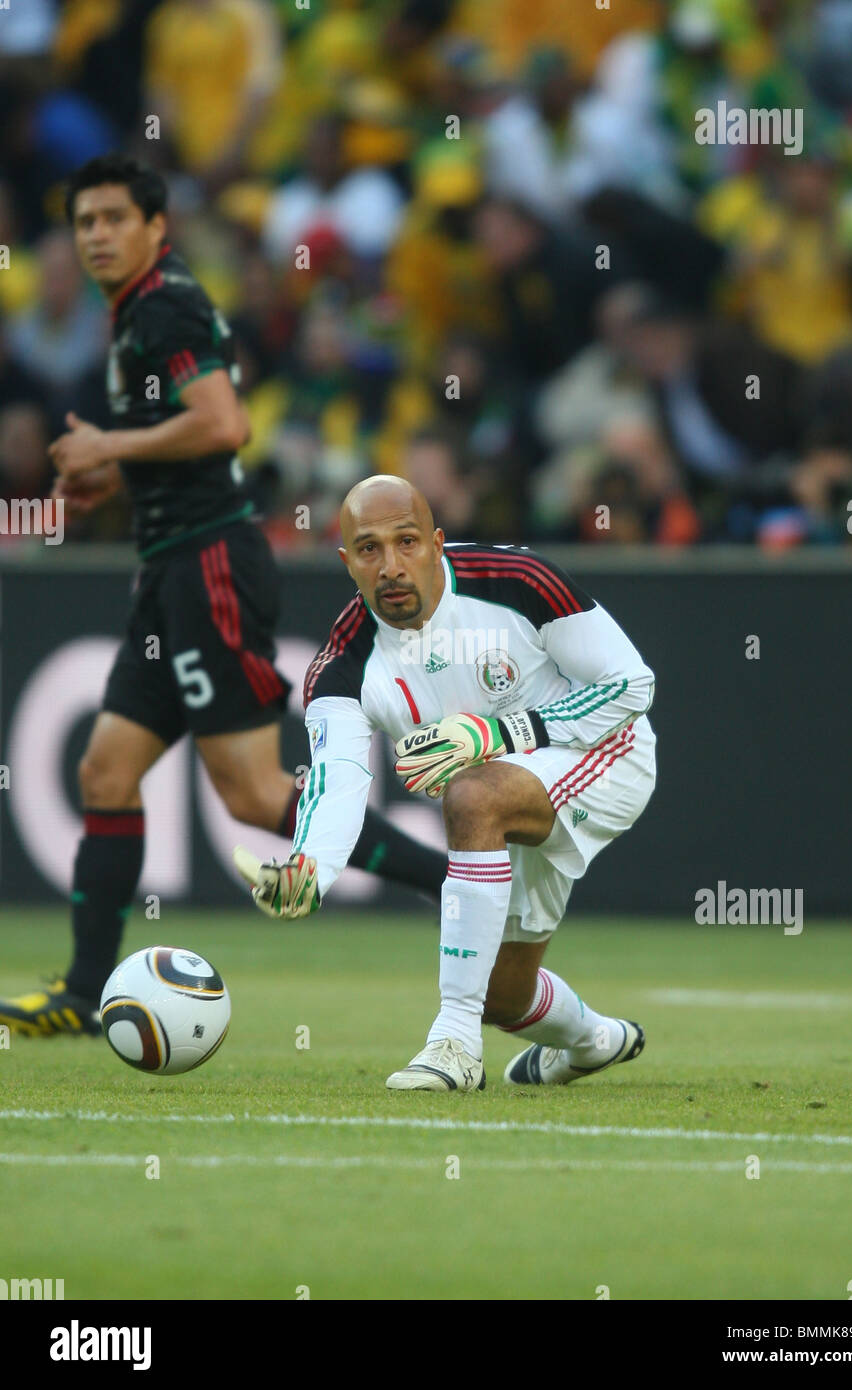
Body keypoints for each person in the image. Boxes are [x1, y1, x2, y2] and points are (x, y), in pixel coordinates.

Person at [0, 156, 446, 1039]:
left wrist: (115, 451)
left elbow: (223, 423)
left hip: (210, 568)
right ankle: (86, 991)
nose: (96, 235)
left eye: (112, 218)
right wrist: (112, 474)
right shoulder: (135, 313)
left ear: (154, 227)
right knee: (105, 770)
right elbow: (195, 442)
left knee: (248, 791)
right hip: (172, 567)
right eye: (83, 221)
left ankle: (457, 883)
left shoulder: (161, 303)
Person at [235, 474, 656, 1092]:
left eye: (406, 542)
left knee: (472, 793)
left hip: (606, 755)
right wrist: (310, 868)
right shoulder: (340, 669)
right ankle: (595, 1040)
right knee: (502, 995)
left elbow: (632, 685)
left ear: (436, 543)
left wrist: (499, 734)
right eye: (370, 549)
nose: (392, 566)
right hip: (509, 801)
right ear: (346, 561)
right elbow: (338, 779)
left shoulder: (517, 581)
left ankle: (455, 1045)